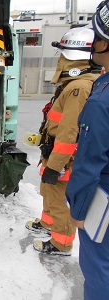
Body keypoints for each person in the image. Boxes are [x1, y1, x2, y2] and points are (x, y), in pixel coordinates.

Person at [25, 27, 101, 255]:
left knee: (58, 199)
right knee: (49, 192)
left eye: (62, 53)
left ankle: (61, 243)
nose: (59, 59)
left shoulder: (78, 88)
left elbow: (69, 134)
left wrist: (56, 167)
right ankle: (47, 223)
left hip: (64, 160)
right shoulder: (75, 85)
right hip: (54, 153)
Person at [66, 1, 109, 298]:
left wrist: (79, 210)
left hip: (104, 201)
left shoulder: (101, 100)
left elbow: (90, 160)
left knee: (100, 269)